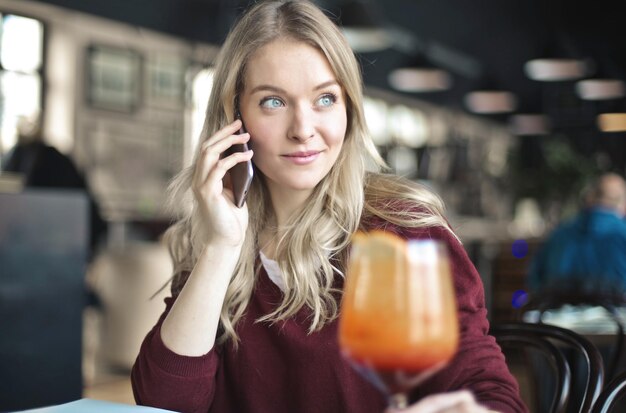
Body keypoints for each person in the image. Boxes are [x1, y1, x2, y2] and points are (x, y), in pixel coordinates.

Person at [131, 1, 527, 412]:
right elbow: (164, 402)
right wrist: (220, 248)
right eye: (273, 102)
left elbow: (490, 395)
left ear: (349, 110)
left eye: (324, 99)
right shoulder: (218, 237)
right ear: (235, 118)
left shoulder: (404, 232)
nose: (304, 130)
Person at [528, 172, 626, 293]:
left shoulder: (559, 234)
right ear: (623, 205)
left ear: (591, 199)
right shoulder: (622, 233)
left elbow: (535, 281)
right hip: (616, 309)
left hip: (558, 308)